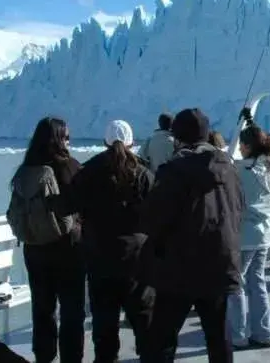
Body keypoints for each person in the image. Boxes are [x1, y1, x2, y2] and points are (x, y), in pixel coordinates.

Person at [139, 108, 243, 363]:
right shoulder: (229, 170)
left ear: (178, 138)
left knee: (162, 338)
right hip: (220, 262)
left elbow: (154, 219)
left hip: (179, 268)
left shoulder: (173, 172)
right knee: (218, 336)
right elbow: (239, 208)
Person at [72, 120, 154, 361]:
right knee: (145, 321)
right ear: (132, 142)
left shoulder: (88, 172)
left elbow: (73, 207)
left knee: (104, 325)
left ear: (104, 141)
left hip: (100, 258)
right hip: (137, 259)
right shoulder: (144, 173)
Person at [6, 117, 85, 363]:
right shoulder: (69, 166)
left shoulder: (24, 171)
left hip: (34, 249)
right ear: (59, 139)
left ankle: (43, 357)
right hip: (67, 249)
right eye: (67, 137)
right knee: (72, 311)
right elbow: (83, 204)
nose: (69, 142)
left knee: (42, 309)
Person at [228, 125, 270, 350]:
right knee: (257, 282)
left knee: (235, 284)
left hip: (245, 235)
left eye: (242, 144)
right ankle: (263, 332)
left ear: (248, 146)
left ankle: (237, 335)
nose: (239, 147)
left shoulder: (241, 169)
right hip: (265, 232)